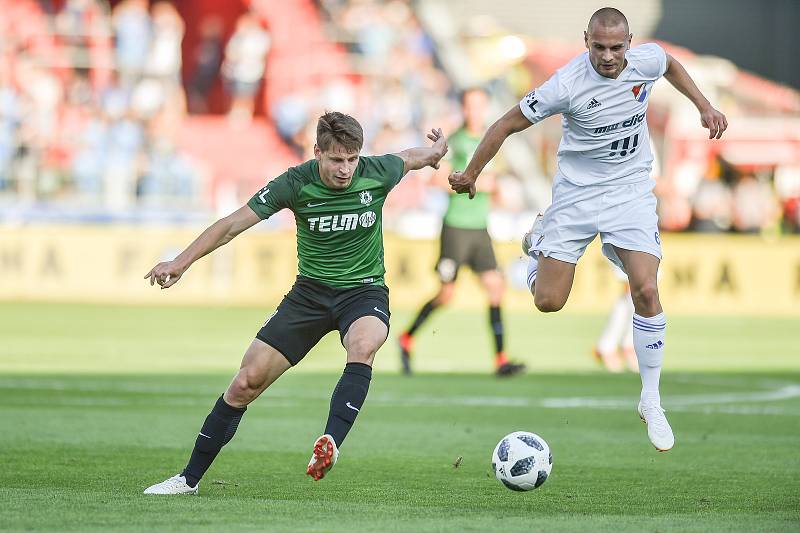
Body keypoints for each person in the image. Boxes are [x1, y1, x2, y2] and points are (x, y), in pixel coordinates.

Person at [449, 7, 728, 452]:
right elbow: (505, 124)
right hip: (576, 198)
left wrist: (704, 105)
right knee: (548, 302)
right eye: (598, 47)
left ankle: (651, 398)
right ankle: (539, 243)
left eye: (616, 47)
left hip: (630, 193)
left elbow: (671, 65)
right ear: (586, 41)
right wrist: (470, 173)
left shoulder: (647, 60)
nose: (608, 57)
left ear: (630, 42)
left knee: (647, 290)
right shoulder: (566, 83)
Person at [142, 111, 448, 494]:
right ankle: (187, 480)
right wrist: (181, 262)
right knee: (244, 384)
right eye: (336, 159)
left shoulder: (377, 171)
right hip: (310, 295)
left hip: (364, 291)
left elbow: (410, 157)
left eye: (352, 159)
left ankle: (330, 442)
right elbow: (232, 224)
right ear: (317, 152)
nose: (346, 169)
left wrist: (436, 152)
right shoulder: (294, 183)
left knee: (365, 343)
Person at [398, 88, 525, 377]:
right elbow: (434, 181)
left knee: (495, 287)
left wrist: (490, 187)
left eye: (480, 106)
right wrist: (467, 182)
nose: (475, 112)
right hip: (456, 227)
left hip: (480, 227)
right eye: (470, 106)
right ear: (463, 109)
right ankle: (406, 339)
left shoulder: (492, 140)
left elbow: (499, 185)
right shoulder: (455, 141)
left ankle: (501, 360)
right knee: (446, 295)